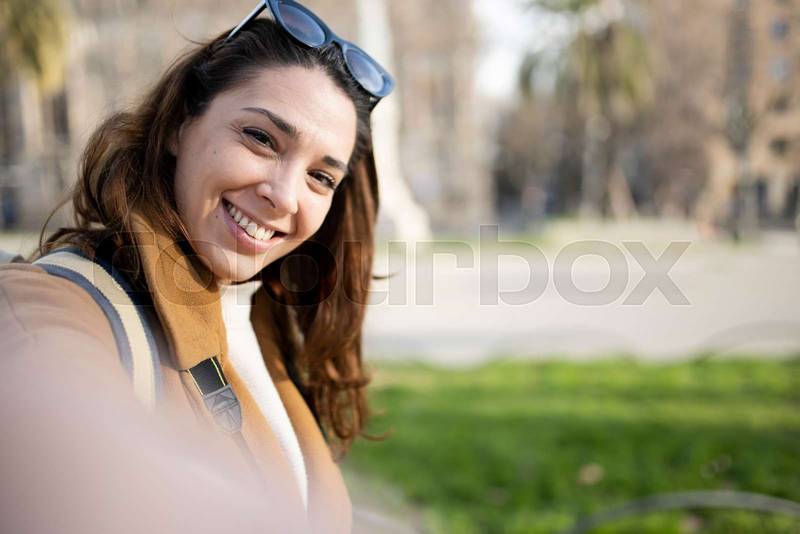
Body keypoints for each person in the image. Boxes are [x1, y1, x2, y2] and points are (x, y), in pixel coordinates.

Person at [0, 1, 394, 531]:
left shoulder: (263, 321)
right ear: (178, 129)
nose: (283, 195)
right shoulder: (49, 303)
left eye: (320, 178)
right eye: (260, 139)